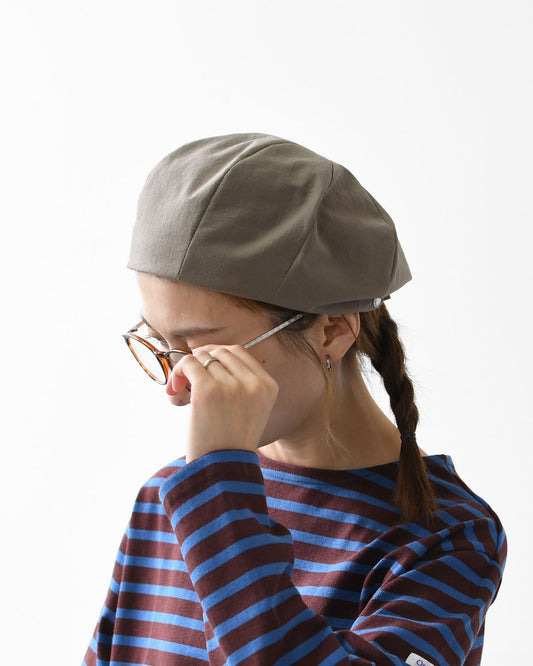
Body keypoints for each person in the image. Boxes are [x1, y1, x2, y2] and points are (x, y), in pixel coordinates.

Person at [83, 133, 506, 666]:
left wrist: (219, 497)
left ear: (332, 330)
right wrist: (211, 489)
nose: (178, 387)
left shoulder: (446, 538)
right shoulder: (170, 498)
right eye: (161, 344)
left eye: (206, 350)